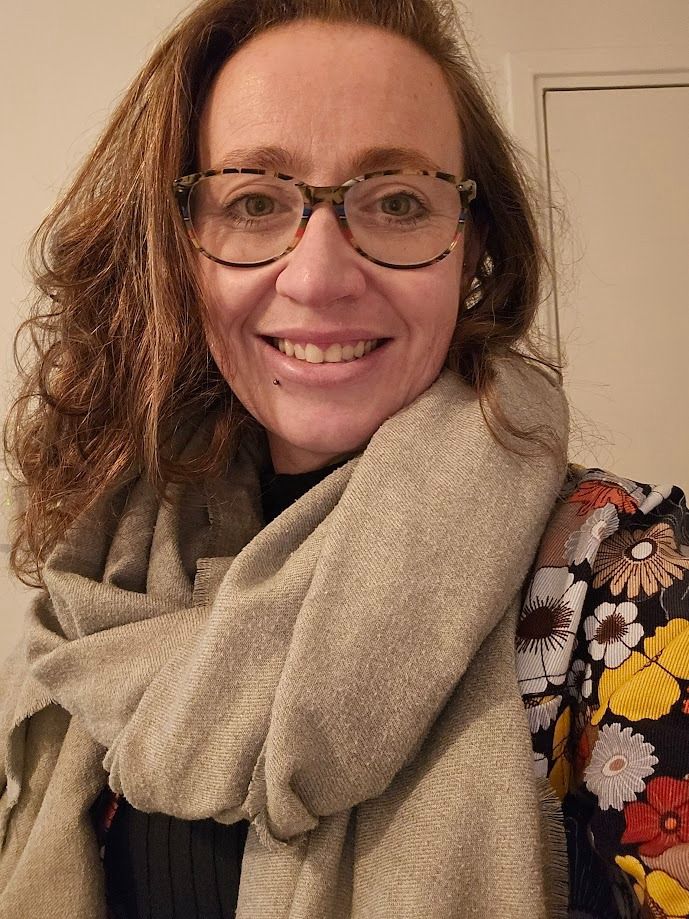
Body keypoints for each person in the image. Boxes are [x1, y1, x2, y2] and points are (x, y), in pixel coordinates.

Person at [0, 0, 687, 916]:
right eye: (252, 200)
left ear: (470, 245)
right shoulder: (101, 583)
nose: (320, 277)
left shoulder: (629, 584)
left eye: (398, 201)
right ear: (177, 251)